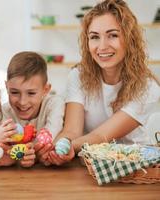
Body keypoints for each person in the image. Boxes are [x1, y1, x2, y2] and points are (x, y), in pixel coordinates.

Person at [47, 0, 160, 166]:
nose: (102, 46)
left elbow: (101, 137)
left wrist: (67, 147)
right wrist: (53, 149)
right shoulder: (78, 76)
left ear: (129, 39)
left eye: (112, 35)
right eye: (94, 37)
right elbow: (72, 130)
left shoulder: (147, 87)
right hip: (88, 167)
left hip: (131, 169)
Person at [1, 51, 65, 166]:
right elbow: (1, 143)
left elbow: (52, 131)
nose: (22, 102)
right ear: (6, 87)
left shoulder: (54, 104)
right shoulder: (4, 112)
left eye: (31, 93)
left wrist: (31, 152)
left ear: (45, 90)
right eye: (14, 92)